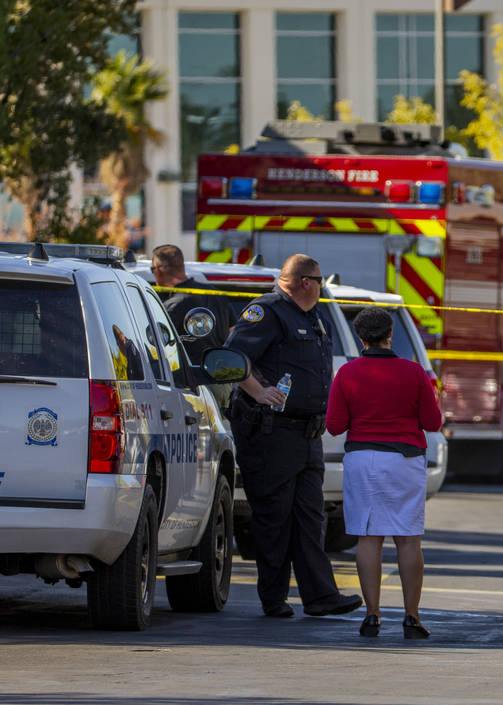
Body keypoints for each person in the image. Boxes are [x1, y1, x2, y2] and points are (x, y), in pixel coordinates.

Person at [224, 254, 363, 618]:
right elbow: (233, 358)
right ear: (306, 282)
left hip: (306, 434)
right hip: (272, 435)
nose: (321, 288)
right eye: (319, 281)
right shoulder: (267, 311)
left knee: (309, 518)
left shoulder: (309, 317)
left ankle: (321, 597)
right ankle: (273, 599)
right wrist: (258, 392)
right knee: (274, 520)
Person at [325, 306, 443, 639]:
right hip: (404, 459)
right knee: (408, 538)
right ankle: (411, 615)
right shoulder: (415, 371)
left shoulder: (347, 373)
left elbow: (334, 426)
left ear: (361, 338)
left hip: (362, 458)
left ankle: (372, 614)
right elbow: (433, 423)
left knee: (368, 537)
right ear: (390, 335)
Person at [151, 244, 237, 409]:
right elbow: (234, 338)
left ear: (159, 270)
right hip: (222, 384)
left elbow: (157, 349)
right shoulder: (216, 294)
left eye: (152, 268)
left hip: (190, 388)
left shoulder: (172, 306)